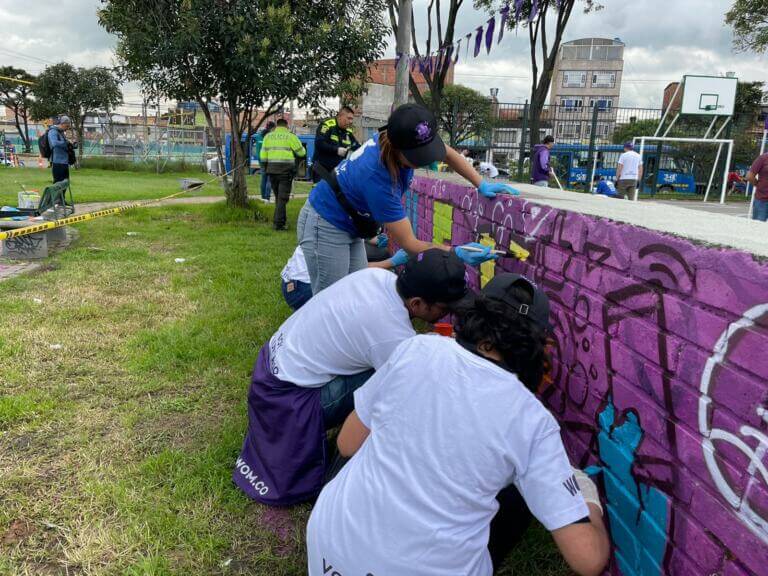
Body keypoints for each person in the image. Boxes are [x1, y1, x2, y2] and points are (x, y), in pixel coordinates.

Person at [306, 274, 610, 576]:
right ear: (539, 345)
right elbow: (588, 559)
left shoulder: (418, 348)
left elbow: (347, 442)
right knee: (516, 498)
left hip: (328, 549)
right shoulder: (531, 419)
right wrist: (586, 495)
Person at [233, 248, 471, 506]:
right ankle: (352, 455)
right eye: (445, 309)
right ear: (416, 304)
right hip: (288, 401)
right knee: (395, 380)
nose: (447, 316)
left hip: (271, 367)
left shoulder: (377, 279)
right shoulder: (390, 334)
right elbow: (420, 389)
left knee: (394, 365)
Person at [298, 103, 517, 294]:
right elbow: (411, 244)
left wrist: (480, 183)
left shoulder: (407, 134)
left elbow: (448, 153)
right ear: (397, 148)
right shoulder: (378, 178)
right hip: (325, 222)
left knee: (355, 287)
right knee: (331, 299)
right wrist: (456, 253)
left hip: (350, 224)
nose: (424, 161)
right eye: (418, 157)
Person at [260, 118, 306, 230]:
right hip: (285, 171)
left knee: (278, 197)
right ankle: (278, 224)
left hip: (271, 170)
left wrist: (266, 167)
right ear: (286, 126)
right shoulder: (291, 136)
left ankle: (281, 220)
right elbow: (301, 152)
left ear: (276, 126)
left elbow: (263, 156)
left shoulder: (268, 137)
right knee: (282, 198)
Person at [312, 106, 359, 183]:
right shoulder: (327, 125)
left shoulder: (348, 131)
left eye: (352, 119)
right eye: (349, 118)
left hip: (337, 171)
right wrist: (336, 150)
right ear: (340, 116)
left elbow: (356, 146)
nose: (351, 122)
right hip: (322, 169)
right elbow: (319, 144)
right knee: (321, 193)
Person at [254, 120, 275, 202]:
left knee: (263, 178)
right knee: (269, 179)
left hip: (261, 159)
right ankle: (267, 197)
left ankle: (263, 197)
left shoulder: (259, 135)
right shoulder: (270, 136)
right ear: (272, 128)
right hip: (268, 160)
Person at [48, 115, 72, 183]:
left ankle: (62, 194)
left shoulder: (61, 132)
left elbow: (64, 143)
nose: (67, 128)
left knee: (65, 184)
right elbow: (54, 143)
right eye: (67, 126)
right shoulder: (53, 131)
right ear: (62, 123)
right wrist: (66, 143)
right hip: (57, 162)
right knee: (58, 185)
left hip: (64, 162)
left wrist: (70, 144)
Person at [747, 151, 768, 221]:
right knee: (757, 227)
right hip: (762, 200)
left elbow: (749, 176)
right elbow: (749, 176)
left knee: (758, 228)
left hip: (762, 198)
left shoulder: (763, 158)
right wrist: (758, 185)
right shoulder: (763, 158)